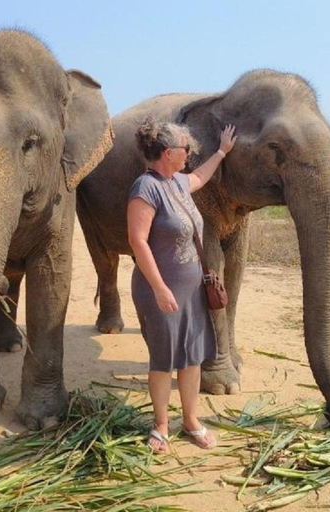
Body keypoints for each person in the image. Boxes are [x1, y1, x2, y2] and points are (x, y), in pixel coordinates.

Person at [127, 119, 237, 453]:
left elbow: (201, 176)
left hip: (192, 292)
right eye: (185, 148)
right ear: (167, 151)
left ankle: (191, 420)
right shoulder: (145, 188)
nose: (189, 153)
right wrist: (159, 288)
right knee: (163, 360)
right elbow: (138, 241)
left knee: (191, 359)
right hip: (159, 290)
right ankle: (161, 424)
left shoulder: (176, 182)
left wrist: (222, 151)